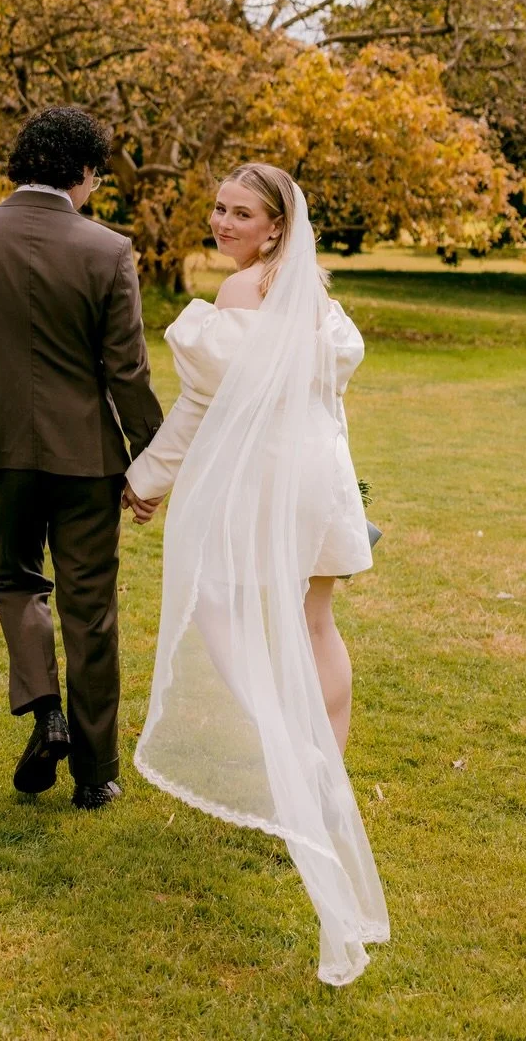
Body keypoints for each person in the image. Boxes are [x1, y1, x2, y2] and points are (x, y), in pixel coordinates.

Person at [125, 162, 388, 985]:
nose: (223, 223)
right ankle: (324, 775)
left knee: (213, 605)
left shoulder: (239, 299)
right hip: (321, 472)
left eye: (241, 213)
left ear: (277, 226)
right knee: (316, 625)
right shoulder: (318, 295)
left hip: (265, 475)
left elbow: (202, 408)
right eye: (218, 208)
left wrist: (145, 479)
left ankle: (292, 751)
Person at [0, 106, 162, 808]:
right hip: (89, 461)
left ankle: (45, 710)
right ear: (83, 173)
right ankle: (95, 774)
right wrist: (155, 461)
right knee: (91, 610)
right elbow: (128, 373)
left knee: (16, 580)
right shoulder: (108, 250)